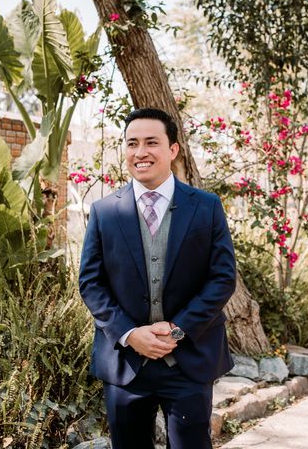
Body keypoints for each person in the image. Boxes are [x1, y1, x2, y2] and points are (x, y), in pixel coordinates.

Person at [79, 108, 236, 448]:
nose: (141, 152)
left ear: (173, 149)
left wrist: (178, 330)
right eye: (132, 143)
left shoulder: (206, 206)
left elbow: (222, 278)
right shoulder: (104, 211)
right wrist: (130, 334)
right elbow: (91, 283)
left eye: (152, 142)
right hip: (125, 365)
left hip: (188, 361)